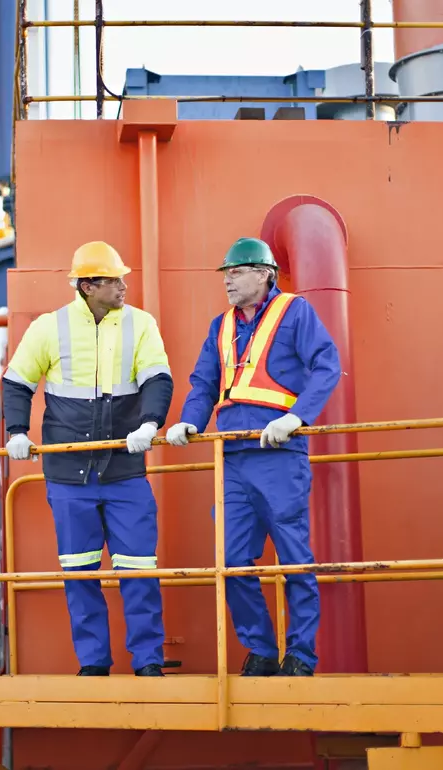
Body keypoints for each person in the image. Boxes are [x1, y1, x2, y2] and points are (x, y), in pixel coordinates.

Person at [165, 237, 341, 677]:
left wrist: (297, 418)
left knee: (294, 556)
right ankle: (261, 650)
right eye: (226, 271)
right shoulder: (220, 326)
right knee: (232, 560)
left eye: (237, 270)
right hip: (232, 457)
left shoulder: (294, 312)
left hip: (278, 453)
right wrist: (190, 420)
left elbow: (327, 364)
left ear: (264, 274)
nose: (228, 278)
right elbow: (204, 383)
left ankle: (300, 655)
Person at [2, 240, 174, 677]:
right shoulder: (49, 327)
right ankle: (94, 663)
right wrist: (16, 432)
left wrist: (151, 423)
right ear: (88, 285)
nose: (123, 286)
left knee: (139, 572)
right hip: (68, 473)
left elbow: (157, 376)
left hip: (123, 469)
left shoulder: (140, 324)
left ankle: (148, 662)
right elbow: (17, 382)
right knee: (79, 574)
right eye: (115, 279)